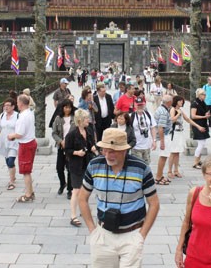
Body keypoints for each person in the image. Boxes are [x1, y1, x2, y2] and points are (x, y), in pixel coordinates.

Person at [79, 128, 160, 268]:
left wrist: (141, 236)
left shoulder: (141, 168)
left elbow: (154, 204)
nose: (107, 154)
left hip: (132, 236)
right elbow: (82, 198)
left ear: (124, 150)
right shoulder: (94, 165)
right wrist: (93, 231)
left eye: (112, 151)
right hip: (103, 236)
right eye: (105, 150)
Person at [65, 109, 97, 227]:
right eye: (86, 118)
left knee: (86, 189)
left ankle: (83, 209)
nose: (88, 120)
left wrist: (93, 147)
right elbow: (67, 150)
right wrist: (76, 152)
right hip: (76, 165)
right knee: (76, 190)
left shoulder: (88, 130)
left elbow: (91, 144)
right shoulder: (72, 134)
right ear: (80, 120)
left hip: (87, 163)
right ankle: (73, 216)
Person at [8, 94, 37, 203]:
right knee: (27, 170)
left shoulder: (23, 116)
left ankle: (28, 194)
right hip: (31, 142)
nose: (16, 104)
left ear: (20, 103)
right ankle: (31, 191)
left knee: (26, 171)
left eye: (17, 102)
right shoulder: (30, 112)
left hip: (25, 144)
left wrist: (11, 136)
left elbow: (19, 133)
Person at [168, 95, 205, 179]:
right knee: (173, 152)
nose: (182, 102)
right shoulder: (173, 109)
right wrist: (178, 114)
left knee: (177, 153)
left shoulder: (180, 110)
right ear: (176, 101)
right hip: (174, 133)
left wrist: (198, 126)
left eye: (182, 101)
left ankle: (176, 170)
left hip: (180, 133)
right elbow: (172, 119)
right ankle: (169, 171)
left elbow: (188, 119)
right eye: (180, 101)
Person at [0, 98, 19, 191]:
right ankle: (13, 176)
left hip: (14, 142)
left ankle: (12, 182)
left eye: (8, 105)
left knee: (11, 161)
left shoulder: (17, 116)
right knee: (7, 161)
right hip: (3, 142)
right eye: (5, 105)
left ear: (13, 106)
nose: (6, 107)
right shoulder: (2, 115)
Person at [52, 98, 75, 199]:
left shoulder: (75, 118)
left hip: (71, 147)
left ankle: (70, 189)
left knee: (70, 168)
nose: (67, 109)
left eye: (69, 107)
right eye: (66, 107)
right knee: (59, 167)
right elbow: (54, 133)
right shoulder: (58, 118)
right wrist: (60, 141)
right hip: (61, 146)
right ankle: (62, 183)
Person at [153, 95, 173, 185]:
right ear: (168, 102)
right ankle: (158, 177)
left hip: (163, 135)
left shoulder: (161, 109)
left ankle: (160, 175)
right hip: (164, 136)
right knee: (163, 157)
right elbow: (160, 127)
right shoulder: (164, 112)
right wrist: (162, 142)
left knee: (164, 157)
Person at [131, 97, 157, 164]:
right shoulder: (131, 116)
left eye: (141, 105)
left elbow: (153, 127)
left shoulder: (148, 114)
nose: (140, 107)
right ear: (135, 105)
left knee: (146, 165)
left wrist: (154, 141)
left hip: (147, 145)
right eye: (138, 105)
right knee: (138, 165)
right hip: (136, 146)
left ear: (144, 105)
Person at [191, 88, 211, 169]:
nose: (205, 96)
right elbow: (193, 116)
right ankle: (195, 162)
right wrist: (204, 116)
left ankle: (198, 160)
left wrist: (206, 114)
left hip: (203, 123)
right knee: (201, 143)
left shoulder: (203, 103)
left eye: (205, 94)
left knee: (202, 143)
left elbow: (203, 112)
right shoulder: (195, 103)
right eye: (203, 94)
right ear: (199, 95)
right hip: (198, 124)